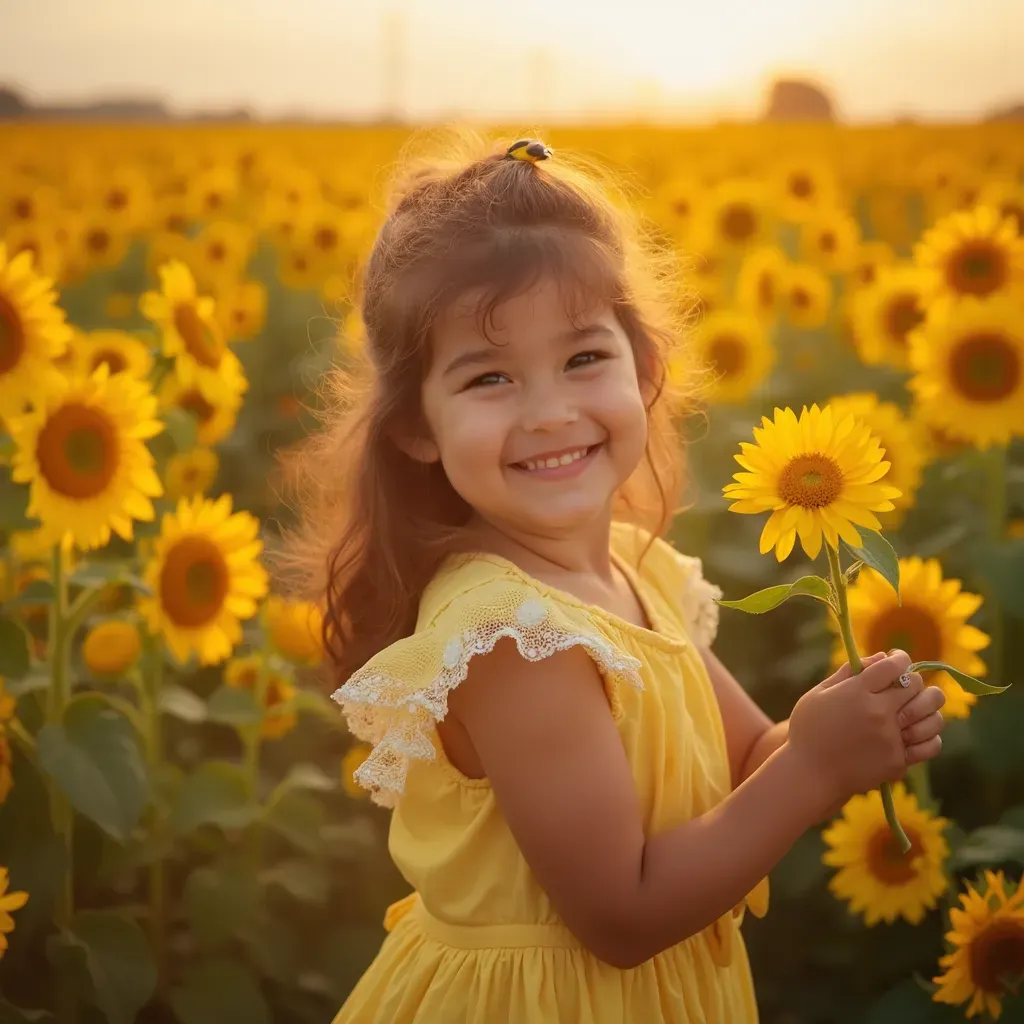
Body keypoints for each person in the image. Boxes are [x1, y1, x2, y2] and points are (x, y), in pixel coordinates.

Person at [283, 133, 947, 1024]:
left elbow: (751, 757)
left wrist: (852, 720)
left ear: (647, 369)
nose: (550, 411)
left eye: (584, 358)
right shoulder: (514, 636)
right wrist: (821, 768)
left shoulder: (638, 572)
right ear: (415, 428)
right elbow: (623, 914)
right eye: (489, 377)